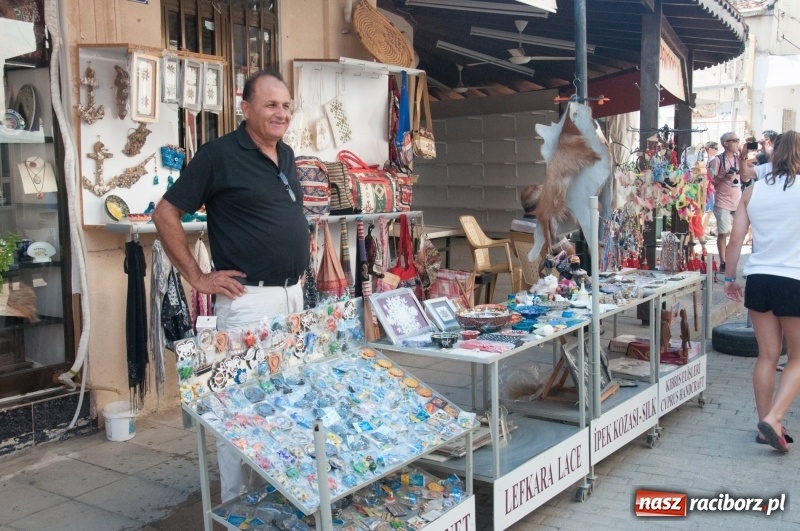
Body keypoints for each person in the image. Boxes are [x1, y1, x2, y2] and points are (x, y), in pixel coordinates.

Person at [152, 69, 310, 500]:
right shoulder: (218, 155)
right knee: (239, 404)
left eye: (286, 106)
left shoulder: (288, 155)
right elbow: (165, 213)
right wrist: (197, 276)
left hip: (291, 296)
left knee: (288, 400)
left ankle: (280, 491)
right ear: (245, 108)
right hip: (247, 303)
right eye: (271, 105)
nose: (281, 114)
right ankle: (238, 503)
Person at [723, 130, 800, 454]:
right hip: (795, 279)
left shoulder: (753, 190)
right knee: (797, 357)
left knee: (767, 356)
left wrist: (729, 278)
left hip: (759, 277)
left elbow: (736, 239)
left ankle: (766, 425)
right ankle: (775, 417)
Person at [707, 132, 750, 273]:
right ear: (726, 143)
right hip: (722, 201)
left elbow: (745, 179)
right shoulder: (717, 160)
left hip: (737, 200)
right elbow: (709, 180)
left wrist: (744, 157)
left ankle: (731, 259)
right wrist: (724, 178)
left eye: (738, 140)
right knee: (723, 232)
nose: (737, 143)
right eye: (735, 140)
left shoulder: (739, 159)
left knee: (739, 232)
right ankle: (724, 262)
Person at [510, 184, 575, 255]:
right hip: (549, 265)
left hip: (526, 264)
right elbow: (572, 253)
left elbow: (516, 253)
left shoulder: (515, 224)